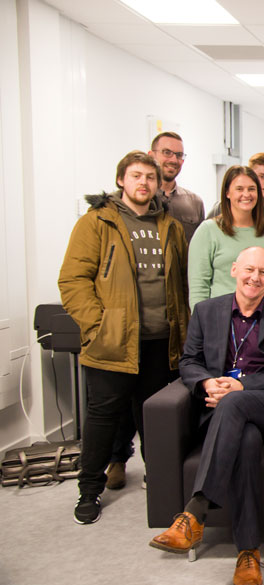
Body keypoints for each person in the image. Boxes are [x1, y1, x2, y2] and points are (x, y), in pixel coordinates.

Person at [149, 246, 264, 585]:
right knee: (246, 439)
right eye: (249, 269)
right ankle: (248, 552)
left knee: (236, 404)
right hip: (222, 408)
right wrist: (206, 382)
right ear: (235, 269)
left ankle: (194, 513)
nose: (255, 278)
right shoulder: (207, 311)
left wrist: (241, 385)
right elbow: (188, 360)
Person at [59, 150, 189, 524]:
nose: (144, 183)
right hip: (112, 342)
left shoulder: (170, 226)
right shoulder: (97, 222)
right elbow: (73, 279)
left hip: (160, 341)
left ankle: (160, 481)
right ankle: (89, 490)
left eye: (149, 177)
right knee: (103, 418)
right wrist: (97, 325)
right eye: (136, 176)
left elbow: (179, 283)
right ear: (121, 180)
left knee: (154, 417)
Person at [188, 166, 264, 310]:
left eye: (251, 189)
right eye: (239, 189)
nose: (246, 194)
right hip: (220, 317)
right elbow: (199, 286)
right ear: (227, 192)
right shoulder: (208, 230)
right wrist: (202, 323)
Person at [148, 131, 205, 242]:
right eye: (167, 152)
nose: (174, 160)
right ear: (151, 156)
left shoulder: (195, 202)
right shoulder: (141, 199)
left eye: (179, 155)